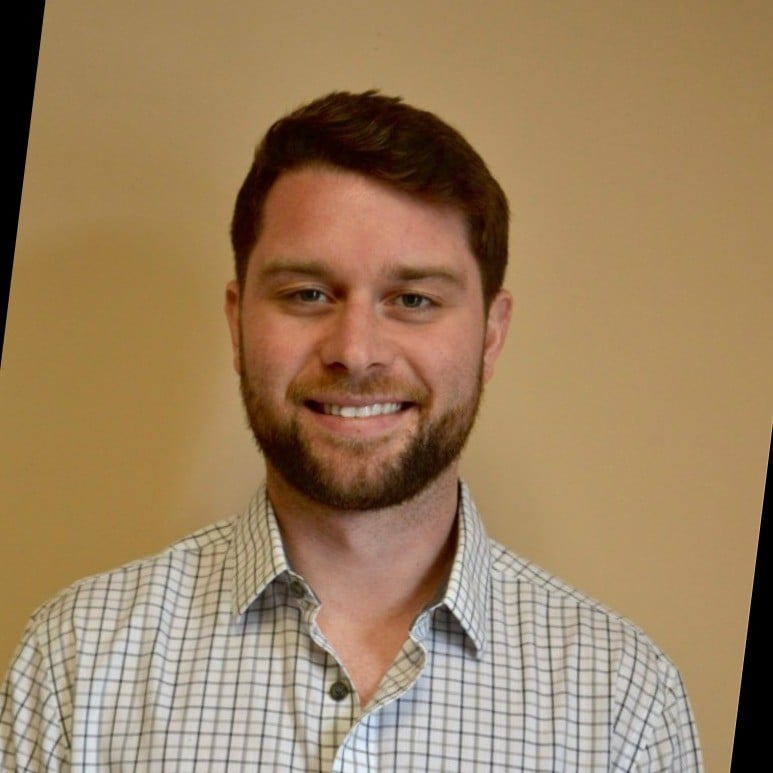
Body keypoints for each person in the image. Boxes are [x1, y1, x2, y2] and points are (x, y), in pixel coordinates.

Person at [1, 90, 703, 771]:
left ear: (490, 335)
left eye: (413, 299)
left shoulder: (622, 704)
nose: (356, 350)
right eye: (308, 293)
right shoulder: (74, 662)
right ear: (237, 322)